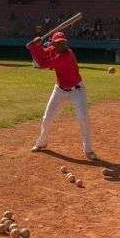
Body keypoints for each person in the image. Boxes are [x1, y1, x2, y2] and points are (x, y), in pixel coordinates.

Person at [26, 32, 97, 160]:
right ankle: (41, 143)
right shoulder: (53, 49)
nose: (62, 44)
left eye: (63, 42)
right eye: (59, 42)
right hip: (60, 90)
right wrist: (35, 46)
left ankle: (88, 149)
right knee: (47, 118)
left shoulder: (67, 55)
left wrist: (33, 47)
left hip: (77, 90)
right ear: (53, 44)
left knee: (83, 118)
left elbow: (41, 64)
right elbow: (42, 54)